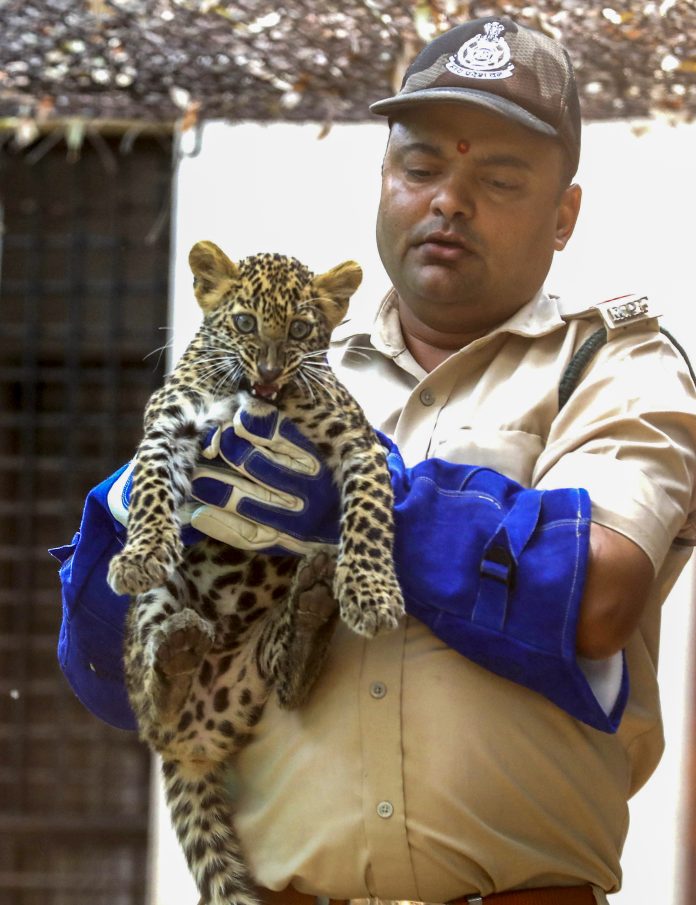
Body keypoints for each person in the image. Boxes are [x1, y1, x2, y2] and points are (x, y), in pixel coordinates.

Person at [52, 15, 696, 905]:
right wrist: (125, 528)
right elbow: (118, 686)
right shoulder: (274, 369)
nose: (448, 202)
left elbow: (596, 595)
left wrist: (370, 502)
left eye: (499, 177)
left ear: (565, 215)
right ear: (384, 178)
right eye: (421, 167)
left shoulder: (614, 365)